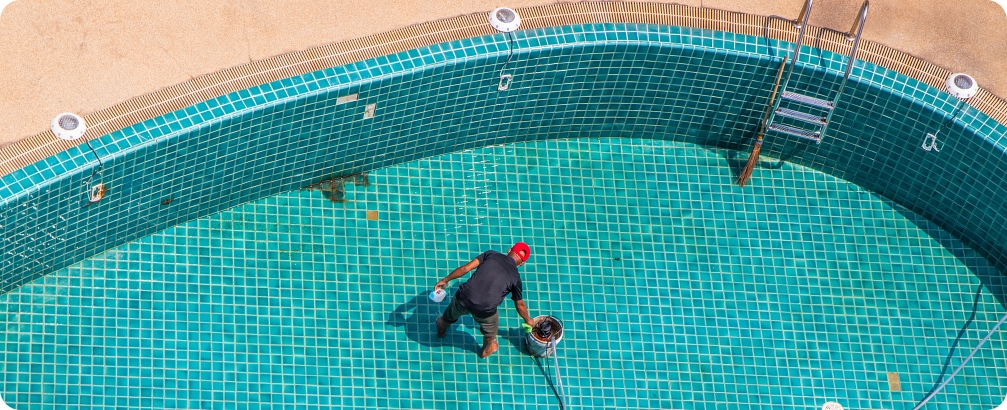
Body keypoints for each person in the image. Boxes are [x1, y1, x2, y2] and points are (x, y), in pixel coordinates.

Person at [434, 242, 535, 358]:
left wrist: (445, 280)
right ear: (522, 263)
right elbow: (520, 304)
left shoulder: (491, 254)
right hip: (484, 310)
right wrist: (528, 320)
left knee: (451, 313)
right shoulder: (516, 279)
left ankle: (441, 327)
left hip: (463, 297)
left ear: (509, 250)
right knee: (491, 332)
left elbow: (465, 268)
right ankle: (485, 351)